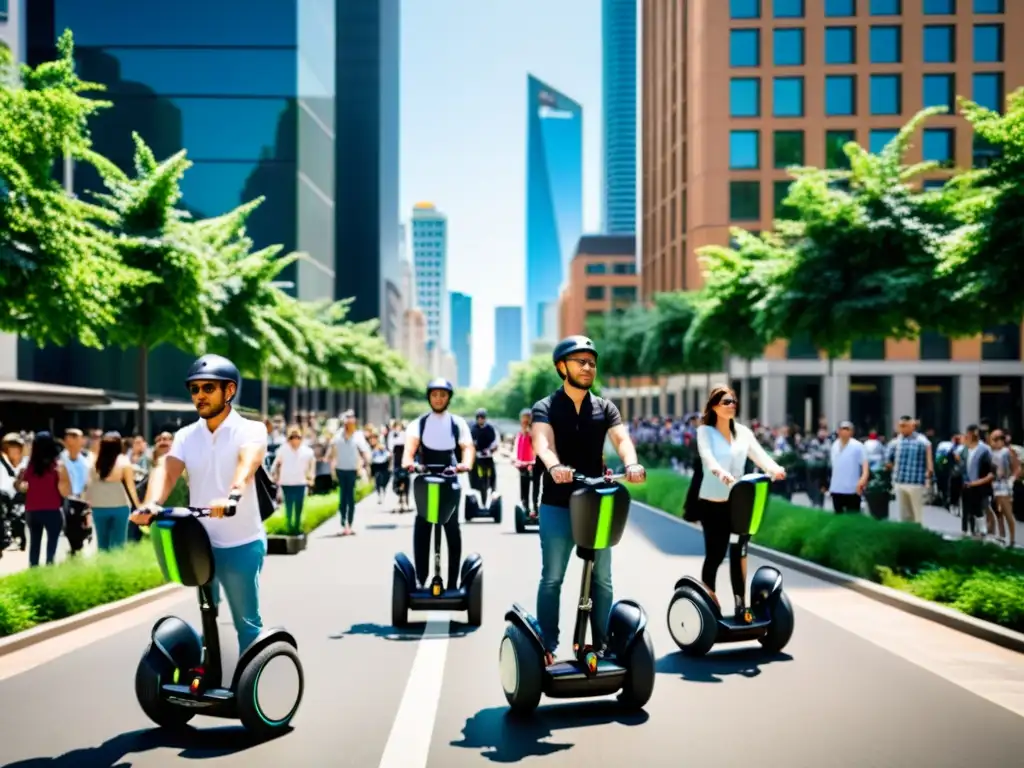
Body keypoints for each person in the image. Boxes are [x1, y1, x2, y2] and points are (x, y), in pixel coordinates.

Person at [131, 354, 269, 653]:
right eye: (195, 389)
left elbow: (248, 464)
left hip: (241, 543)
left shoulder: (251, 429)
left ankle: (252, 683)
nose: (200, 395)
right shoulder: (185, 436)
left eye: (208, 388)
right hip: (200, 544)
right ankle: (210, 673)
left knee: (246, 623)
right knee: (208, 616)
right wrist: (151, 504)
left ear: (229, 391)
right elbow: (166, 472)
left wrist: (232, 495)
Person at [530, 335, 646, 666]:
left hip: (595, 504)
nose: (587, 367)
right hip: (557, 502)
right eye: (580, 361)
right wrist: (553, 466)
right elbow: (543, 441)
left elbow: (622, 439)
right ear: (561, 367)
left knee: (603, 577)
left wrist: (631, 462)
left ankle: (602, 643)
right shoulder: (546, 407)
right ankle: (548, 643)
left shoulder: (605, 407)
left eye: (591, 362)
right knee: (552, 576)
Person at [695, 386, 786, 623]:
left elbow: (760, 456)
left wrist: (774, 469)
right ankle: (709, 604)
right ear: (714, 406)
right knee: (715, 555)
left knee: (739, 552)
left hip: (739, 503)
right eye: (726, 401)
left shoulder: (743, 432)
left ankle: (740, 605)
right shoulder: (705, 431)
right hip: (712, 502)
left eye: (734, 400)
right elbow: (708, 458)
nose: (732, 404)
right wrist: (720, 472)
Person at [401, 378, 475, 590]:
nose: (439, 399)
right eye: (435, 395)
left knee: (451, 527)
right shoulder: (419, 423)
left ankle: (452, 580)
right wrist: (408, 462)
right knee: (423, 524)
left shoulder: (457, 422)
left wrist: (465, 464)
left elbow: (467, 447)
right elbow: (410, 448)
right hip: (427, 480)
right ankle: (421, 577)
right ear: (429, 397)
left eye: (443, 395)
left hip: (449, 479)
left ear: (448, 398)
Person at [17, 431, 71, 566]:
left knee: (34, 544)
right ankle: (49, 571)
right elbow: (65, 492)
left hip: (32, 510)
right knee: (52, 545)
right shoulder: (57, 466)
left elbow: (21, 487)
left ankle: (33, 571)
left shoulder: (28, 467)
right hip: (52, 510)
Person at [86, 431, 141, 551]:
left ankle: (103, 567)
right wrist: (138, 506)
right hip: (120, 506)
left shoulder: (94, 463)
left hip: (99, 506)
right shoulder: (124, 462)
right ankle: (117, 567)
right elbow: (131, 488)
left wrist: (87, 505)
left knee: (102, 543)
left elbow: (89, 486)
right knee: (119, 543)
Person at [329, 412, 371, 536]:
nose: (351, 425)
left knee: (350, 498)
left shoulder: (358, 436)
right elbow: (332, 449)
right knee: (343, 497)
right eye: (349, 423)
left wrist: (365, 465)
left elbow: (364, 451)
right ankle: (343, 522)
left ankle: (350, 523)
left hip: (352, 470)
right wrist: (332, 466)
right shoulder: (338, 435)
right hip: (341, 469)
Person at [271, 426, 315, 534]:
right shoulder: (282, 449)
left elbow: (311, 465)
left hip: (300, 482)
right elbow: (276, 464)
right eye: (292, 437)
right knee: (289, 506)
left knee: (299, 506)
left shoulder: (307, 451)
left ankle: (297, 527)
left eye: (297, 437)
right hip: (287, 482)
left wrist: (311, 477)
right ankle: (289, 526)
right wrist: (275, 475)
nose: (295, 439)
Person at [827, 421, 869, 514]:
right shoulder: (834, 445)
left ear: (852, 432)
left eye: (847, 429)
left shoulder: (858, 446)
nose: (844, 432)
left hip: (852, 489)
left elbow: (865, 466)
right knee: (838, 516)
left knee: (853, 517)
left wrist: (863, 480)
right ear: (838, 431)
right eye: (842, 429)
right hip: (837, 488)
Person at [512, 408, 541, 516]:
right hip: (522, 464)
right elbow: (516, 449)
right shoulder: (520, 435)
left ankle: (535, 507)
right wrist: (515, 459)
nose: (524, 424)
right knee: (524, 486)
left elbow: (537, 448)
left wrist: (534, 460)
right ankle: (525, 507)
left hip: (534, 464)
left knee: (535, 486)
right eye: (522, 422)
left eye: (526, 421)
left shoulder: (535, 434)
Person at [470, 408, 500, 495]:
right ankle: (476, 490)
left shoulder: (490, 429)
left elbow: (495, 442)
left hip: (488, 456)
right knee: (476, 475)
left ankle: (493, 489)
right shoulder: (473, 429)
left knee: (492, 473)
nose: (480, 419)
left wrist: (490, 450)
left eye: (482, 417)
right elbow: (471, 442)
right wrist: (476, 450)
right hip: (478, 457)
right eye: (478, 417)